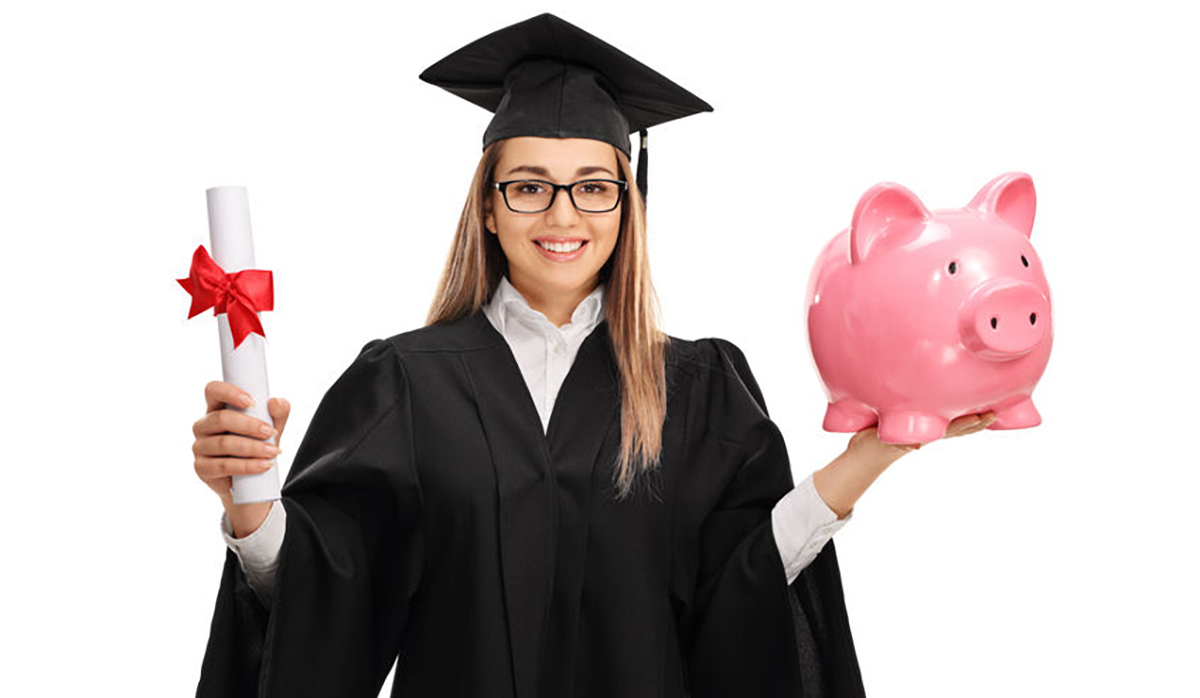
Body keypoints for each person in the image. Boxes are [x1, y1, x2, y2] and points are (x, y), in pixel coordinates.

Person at [191, 13, 997, 698]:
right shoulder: (404, 382)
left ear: (625, 203)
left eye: (593, 185)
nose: (562, 212)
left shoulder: (700, 388)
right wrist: (250, 507)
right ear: (490, 208)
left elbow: (741, 595)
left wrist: (869, 460)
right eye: (530, 185)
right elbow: (332, 596)